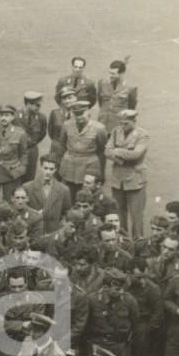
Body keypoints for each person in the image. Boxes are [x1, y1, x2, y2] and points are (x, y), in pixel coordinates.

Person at [104, 109, 149, 240]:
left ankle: (138, 242)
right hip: (117, 179)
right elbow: (107, 151)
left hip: (135, 179)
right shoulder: (116, 131)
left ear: (134, 121)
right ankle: (123, 240)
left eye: (126, 123)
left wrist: (116, 151)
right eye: (121, 123)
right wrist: (121, 159)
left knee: (136, 215)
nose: (123, 126)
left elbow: (136, 154)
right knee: (119, 212)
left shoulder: (142, 135)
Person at [56, 101, 107, 202]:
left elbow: (102, 151)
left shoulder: (99, 128)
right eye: (76, 114)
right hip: (69, 165)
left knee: (86, 196)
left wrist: (101, 172)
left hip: (89, 166)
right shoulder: (66, 125)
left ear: (88, 112)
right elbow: (62, 145)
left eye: (81, 114)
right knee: (68, 195)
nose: (79, 117)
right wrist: (59, 165)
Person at [97, 59, 138, 132]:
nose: (110, 76)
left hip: (118, 124)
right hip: (103, 122)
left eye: (113, 74)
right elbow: (100, 100)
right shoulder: (102, 83)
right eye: (110, 73)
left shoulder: (130, 87)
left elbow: (131, 106)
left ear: (121, 73)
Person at [17, 91, 48, 182]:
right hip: (18, 150)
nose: (39, 108)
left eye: (39, 105)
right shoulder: (16, 116)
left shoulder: (41, 117)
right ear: (28, 104)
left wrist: (32, 143)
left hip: (32, 150)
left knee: (29, 177)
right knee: (16, 177)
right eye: (37, 105)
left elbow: (42, 133)